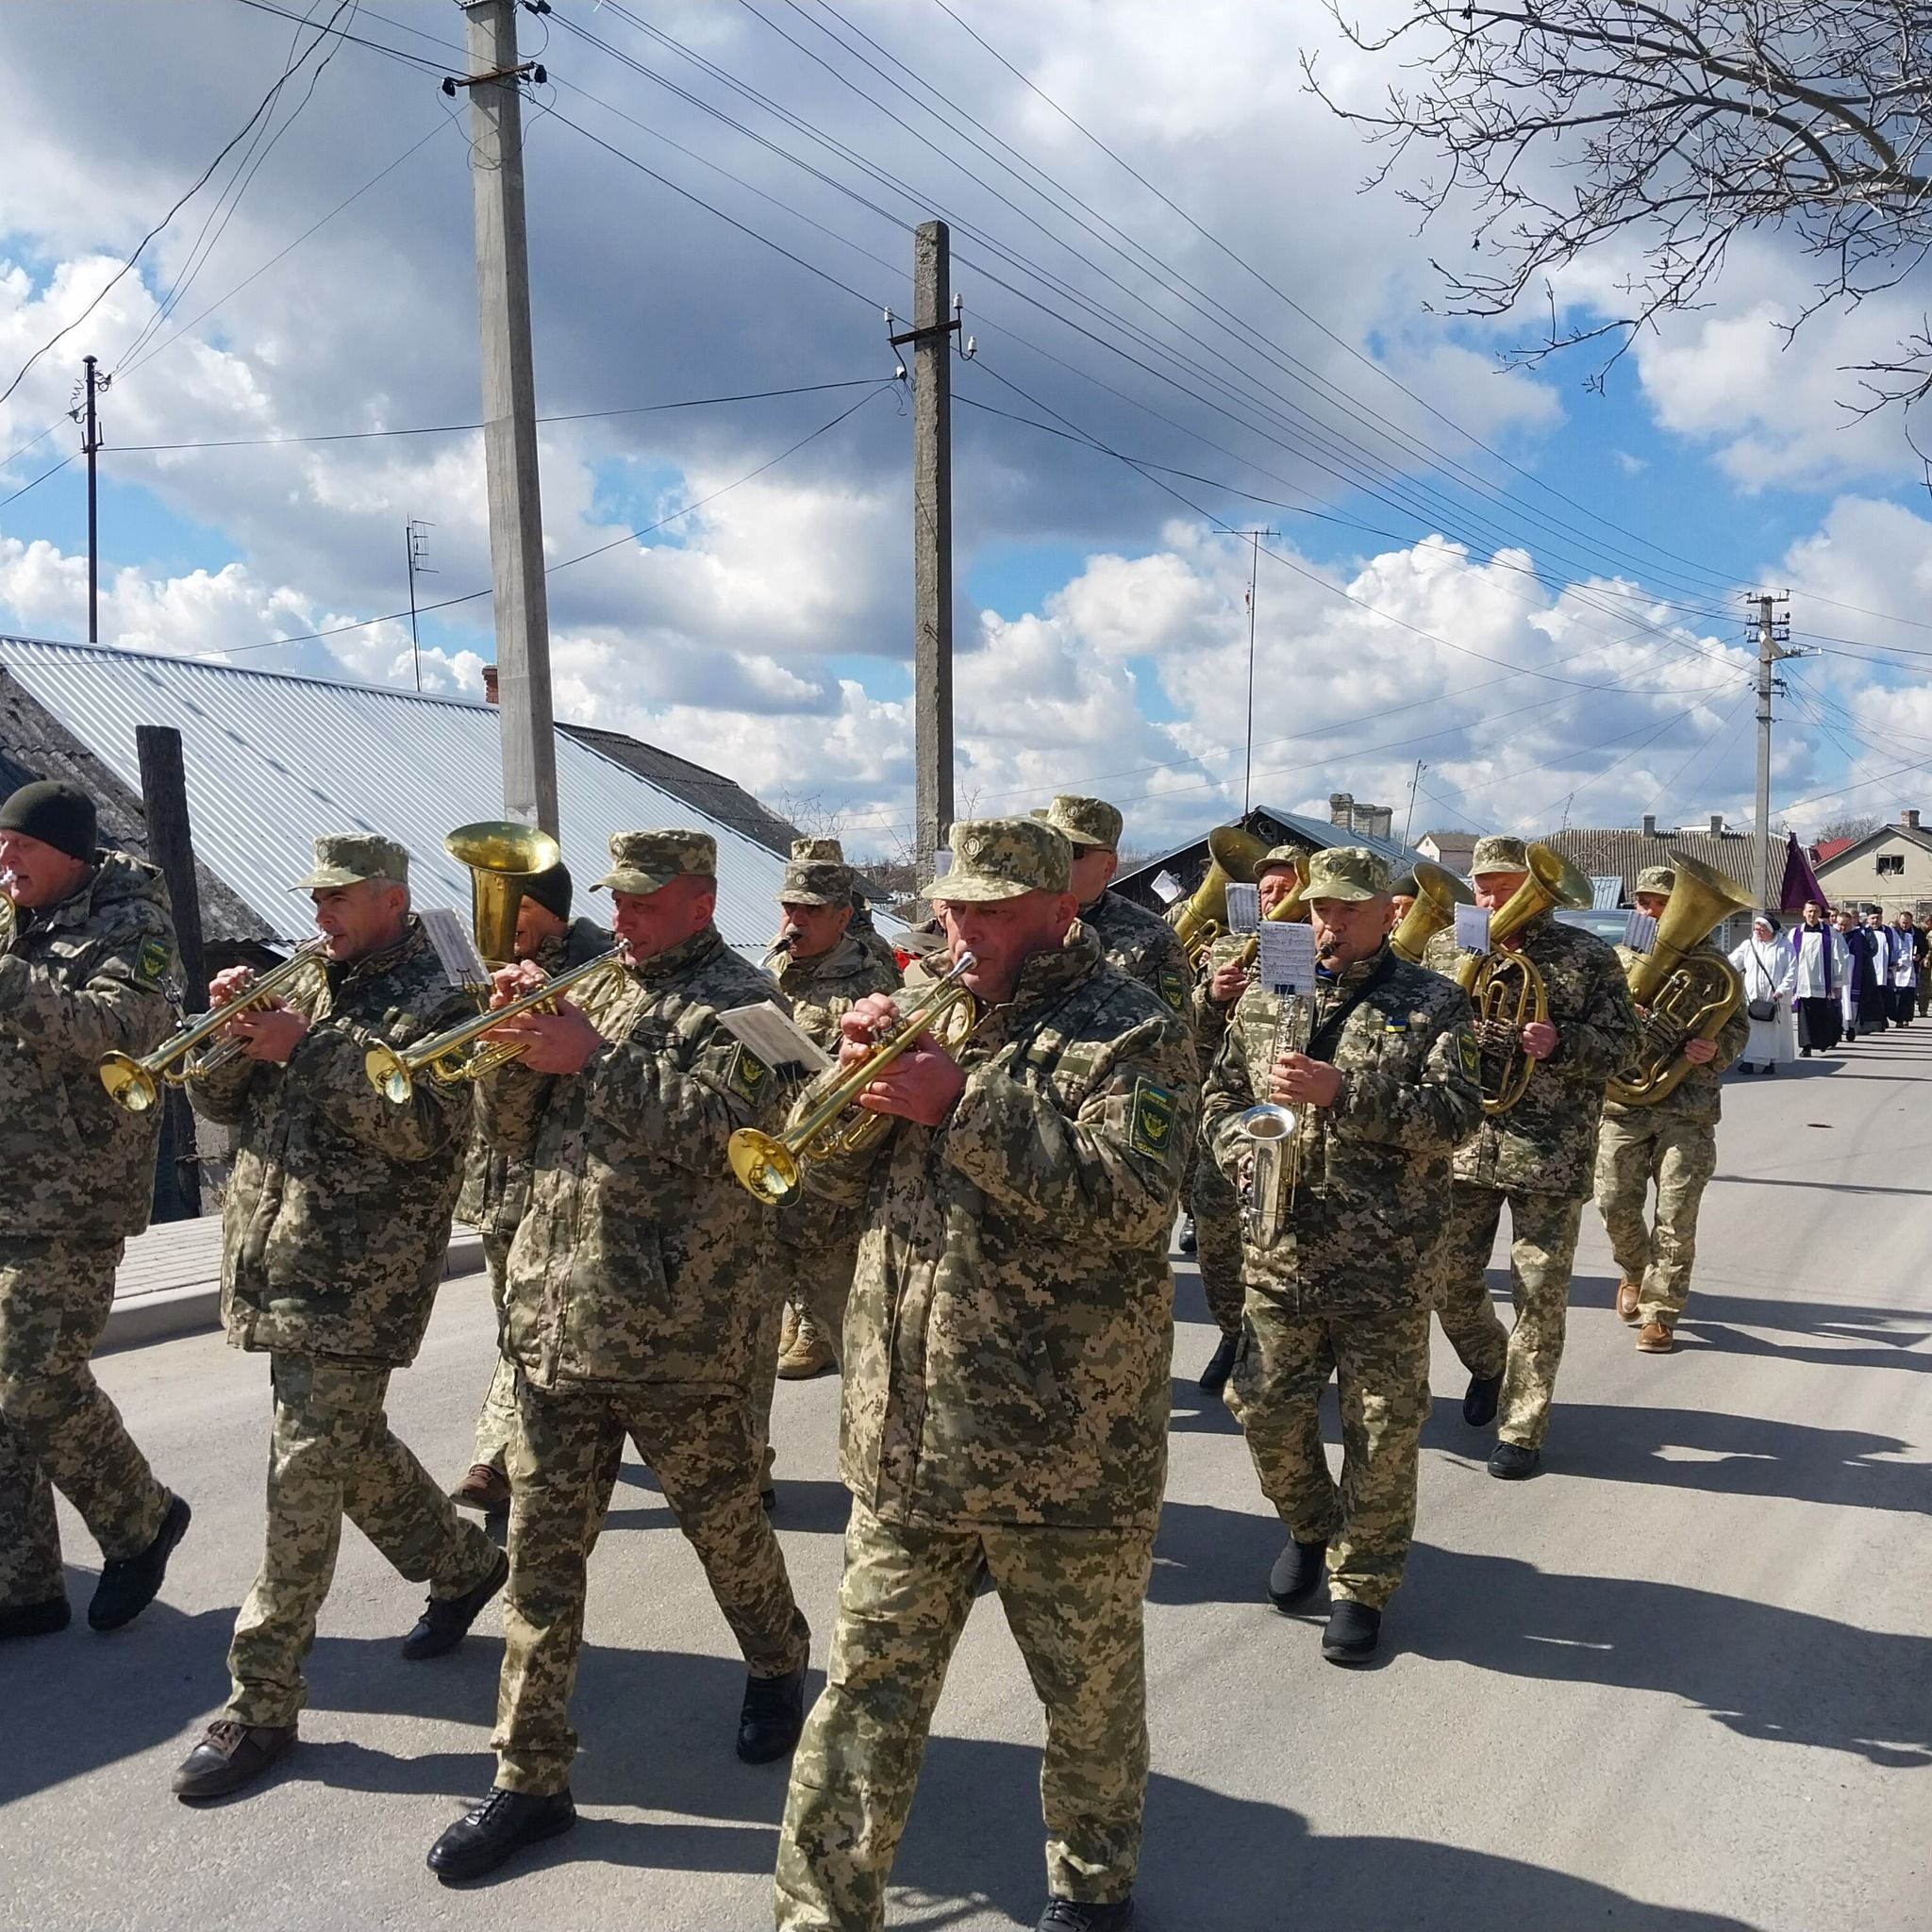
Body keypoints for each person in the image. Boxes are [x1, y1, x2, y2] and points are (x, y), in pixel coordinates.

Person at [773, 816, 1196, 1932]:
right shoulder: (923, 1014)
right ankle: (822, 1908)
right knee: (861, 1701)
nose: (962, 930)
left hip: (1063, 1453)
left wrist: (963, 1103)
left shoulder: (1131, 1031)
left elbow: (1131, 1204)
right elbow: (804, 1210)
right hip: (905, 1446)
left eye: (992, 909)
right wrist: (843, 1093)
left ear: (1059, 910)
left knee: (1088, 1703)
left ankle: (1091, 1886)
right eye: (953, 907)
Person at [427, 830, 811, 1883]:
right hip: (558, 1325)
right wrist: (511, 1039)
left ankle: (778, 1656)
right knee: (543, 1566)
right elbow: (506, 1134)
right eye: (620, 899)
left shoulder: (750, 1002)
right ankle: (528, 1778)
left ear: (700, 900)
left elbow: (730, 1131)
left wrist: (592, 1055)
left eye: (647, 902)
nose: (627, 918)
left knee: (724, 1527)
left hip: (679, 1332)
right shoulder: (588, 983)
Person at [172, 834, 506, 1802]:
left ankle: (260, 1699)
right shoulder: (306, 981)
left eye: (336, 897)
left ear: (391, 899)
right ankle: (459, 1561)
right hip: (276, 1258)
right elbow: (219, 1102)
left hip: (361, 1275)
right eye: (312, 895)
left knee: (304, 1468)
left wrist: (305, 1048)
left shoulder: (443, 997)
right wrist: (235, 1031)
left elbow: (429, 1130)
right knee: (343, 1443)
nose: (318, 914)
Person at [1205, 846, 1480, 1664]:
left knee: (1384, 1431)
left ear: (1388, 913)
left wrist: (1344, 1094)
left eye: (1348, 909)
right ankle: (1313, 1525)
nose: (1329, 923)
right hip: (1279, 1252)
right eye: (1321, 908)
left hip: (1386, 1263)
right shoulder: (1264, 995)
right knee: (1260, 1411)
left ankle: (1363, 1581)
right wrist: (1238, 1148)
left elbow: (1458, 1117)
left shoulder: (1436, 1003)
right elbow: (1219, 1094)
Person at [0, 780, 190, 1643]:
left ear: (68, 854)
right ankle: (25, 1585)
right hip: (6, 1180)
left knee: (36, 1380)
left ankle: (140, 1520)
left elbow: (118, 1028)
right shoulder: (14, 918)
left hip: (74, 1191)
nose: (5, 865)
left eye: (21, 849)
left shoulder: (133, 923)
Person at [1425, 836, 1637, 1480]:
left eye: (1505, 885)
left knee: (1539, 1295)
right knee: (1446, 1280)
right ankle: (1492, 1362)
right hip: (1462, 1144)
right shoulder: (1447, 949)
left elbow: (1625, 1047)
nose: (1489, 896)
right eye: (1483, 885)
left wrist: (1561, 1041)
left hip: (1550, 1151)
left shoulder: (1586, 956)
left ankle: (1522, 1427)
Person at [449, 862, 609, 1517]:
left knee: (537, 1336)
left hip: (560, 1185)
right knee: (514, 1330)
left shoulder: (600, 971)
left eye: (515, 910)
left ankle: (495, 1458)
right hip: (494, 1182)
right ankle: (515, 1454)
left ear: (547, 911)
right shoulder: (483, 966)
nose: (502, 924)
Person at [758, 838, 898, 1437]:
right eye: (790, 908)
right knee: (746, 1340)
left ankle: (880, 1459)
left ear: (843, 916)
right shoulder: (771, 969)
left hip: (835, 1187)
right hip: (767, 1168)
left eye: (811, 911)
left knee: (862, 1347)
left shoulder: (871, 979)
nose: (796, 921)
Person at [1593, 866, 1750, 1355]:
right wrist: (1622, 1018)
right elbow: (1590, 1019)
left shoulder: (1716, 967)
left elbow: (1737, 1029)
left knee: (1675, 1216)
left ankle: (1660, 1314)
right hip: (1622, 1104)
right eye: (1642, 902)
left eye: (1659, 902)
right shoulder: (1619, 960)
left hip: (1688, 1109)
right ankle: (1634, 1269)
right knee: (1613, 1202)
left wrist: (1715, 1050)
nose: (1650, 911)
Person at [1190, 844, 1307, 1393]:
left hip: (1297, 1117)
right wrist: (1212, 997)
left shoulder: (1321, 951)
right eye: (1266, 892)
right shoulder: (1232, 947)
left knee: (1283, 1246)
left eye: (1286, 890)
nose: (1274, 899)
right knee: (1217, 1240)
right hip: (1231, 1115)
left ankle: (1287, 1352)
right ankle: (1231, 1333)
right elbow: (1189, 1032)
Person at [1040, 793, 1192, 1019]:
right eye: (1050, 846)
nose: (1056, 860)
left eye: (1074, 850)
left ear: (1109, 866)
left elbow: (1173, 1039)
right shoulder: (1011, 919)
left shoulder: (1153, 939)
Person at [1729, 912, 1795, 1074]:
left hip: (1774, 997)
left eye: (1762, 929)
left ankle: (1770, 1062)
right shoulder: (1748, 945)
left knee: (1771, 1031)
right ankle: (1749, 1061)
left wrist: (1782, 989)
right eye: (1756, 929)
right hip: (1752, 996)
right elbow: (1733, 963)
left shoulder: (1785, 946)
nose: (1758, 932)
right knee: (1751, 1028)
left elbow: (1792, 971)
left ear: (1771, 930)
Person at [1789, 902, 1847, 1058]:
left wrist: (1837, 983)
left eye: (1815, 911)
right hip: (1802, 981)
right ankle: (1806, 1046)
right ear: (1803, 912)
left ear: (1820, 913)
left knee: (1822, 1013)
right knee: (1804, 1015)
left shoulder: (1830, 933)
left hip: (1823, 981)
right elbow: (1788, 958)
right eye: (1809, 911)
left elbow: (1838, 958)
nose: (1812, 914)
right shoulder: (1795, 933)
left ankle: (1822, 1042)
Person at [1845, 908, 1885, 1037]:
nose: (1852, 920)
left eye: (1854, 917)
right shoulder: (1840, 930)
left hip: (1863, 968)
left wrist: (1861, 954)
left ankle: (1859, 1024)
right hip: (1845, 969)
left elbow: (1873, 948)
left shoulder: (1865, 932)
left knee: (1863, 997)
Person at [1887, 911, 1919, 1027]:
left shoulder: (1917, 933)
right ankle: (1897, 1018)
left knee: (1908, 995)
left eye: (1907, 922)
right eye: (1903, 922)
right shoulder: (1894, 933)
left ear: (1911, 922)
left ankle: (1906, 1018)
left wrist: (1919, 955)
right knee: (1897, 995)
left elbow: (1923, 947)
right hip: (1897, 968)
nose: (1905, 925)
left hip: (1912, 968)